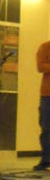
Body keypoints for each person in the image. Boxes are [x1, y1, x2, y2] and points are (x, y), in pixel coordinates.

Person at [36, 39, 50, 170]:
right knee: (46, 128)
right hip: (47, 96)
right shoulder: (45, 47)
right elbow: (40, 67)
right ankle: (46, 159)